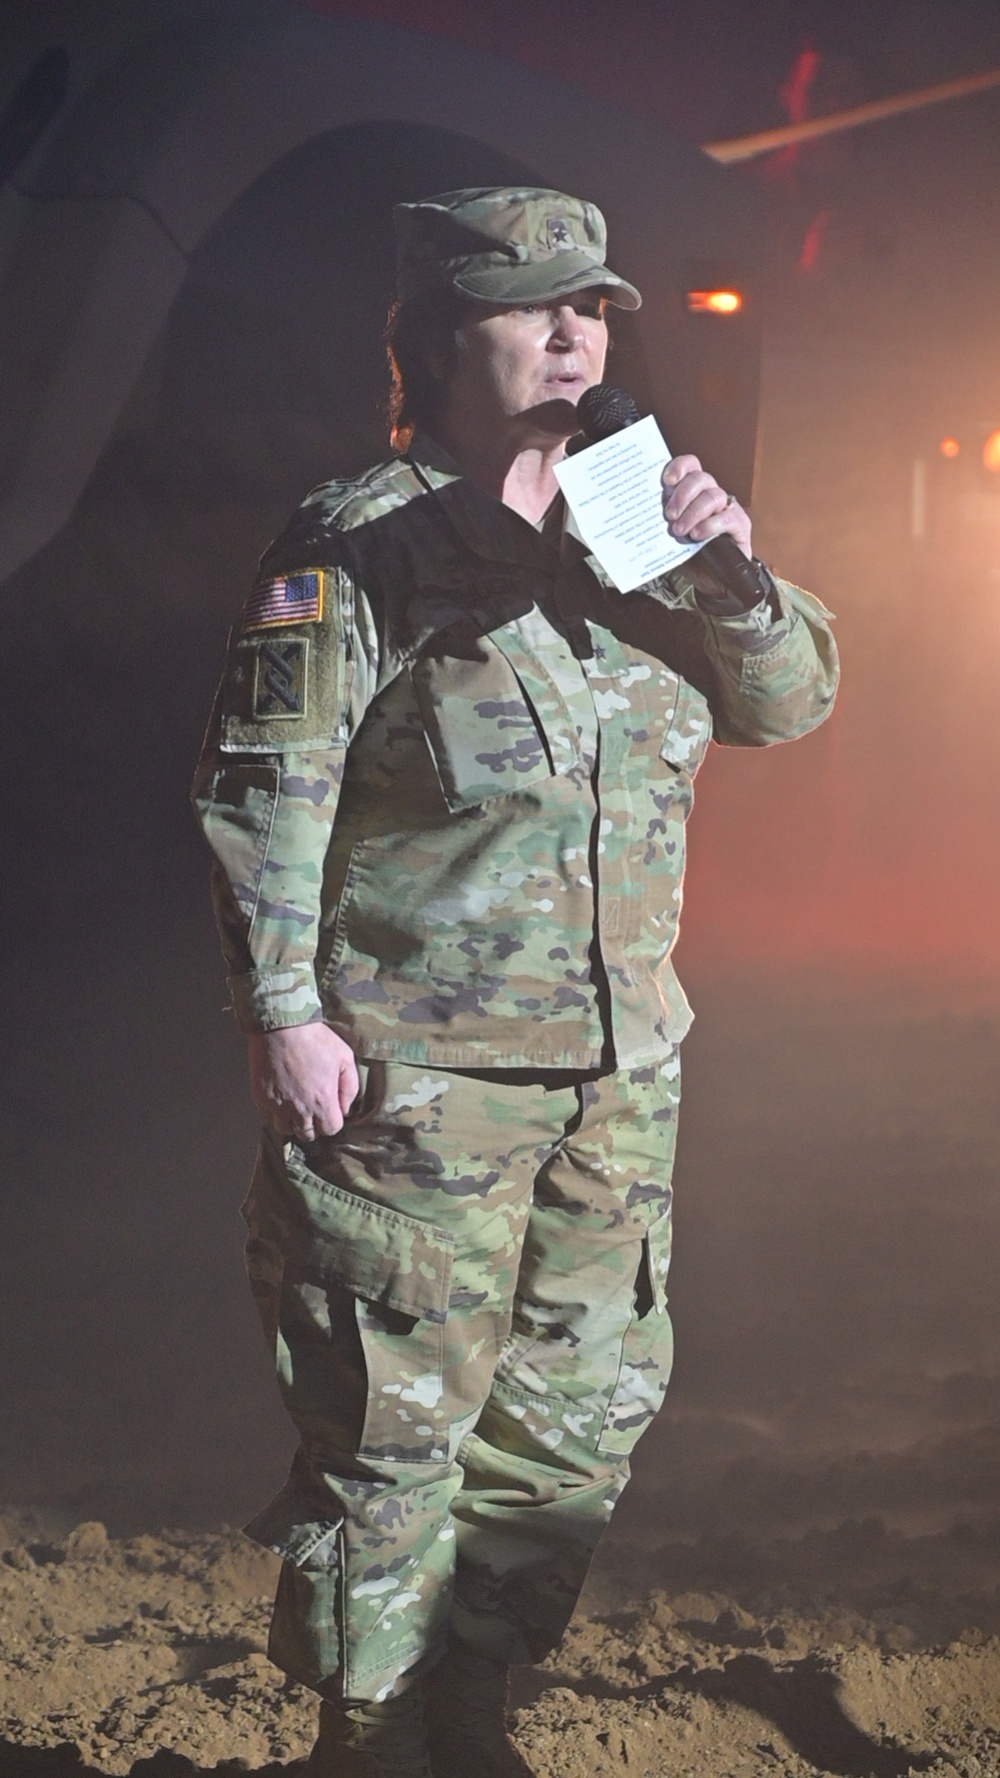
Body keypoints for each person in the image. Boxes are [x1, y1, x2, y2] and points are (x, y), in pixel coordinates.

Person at [192, 186, 838, 1778]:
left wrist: (733, 571)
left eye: (596, 308)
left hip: (618, 1079)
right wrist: (284, 1014)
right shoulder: (360, 544)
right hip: (423, 1084)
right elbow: (268, 786)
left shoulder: (633, 522)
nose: (576, 334)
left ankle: (465, 1718)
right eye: (534, 304)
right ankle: (373, 1737)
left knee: (573, 1428)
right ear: (432, 338)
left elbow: (791, 703)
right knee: (397, 1441)